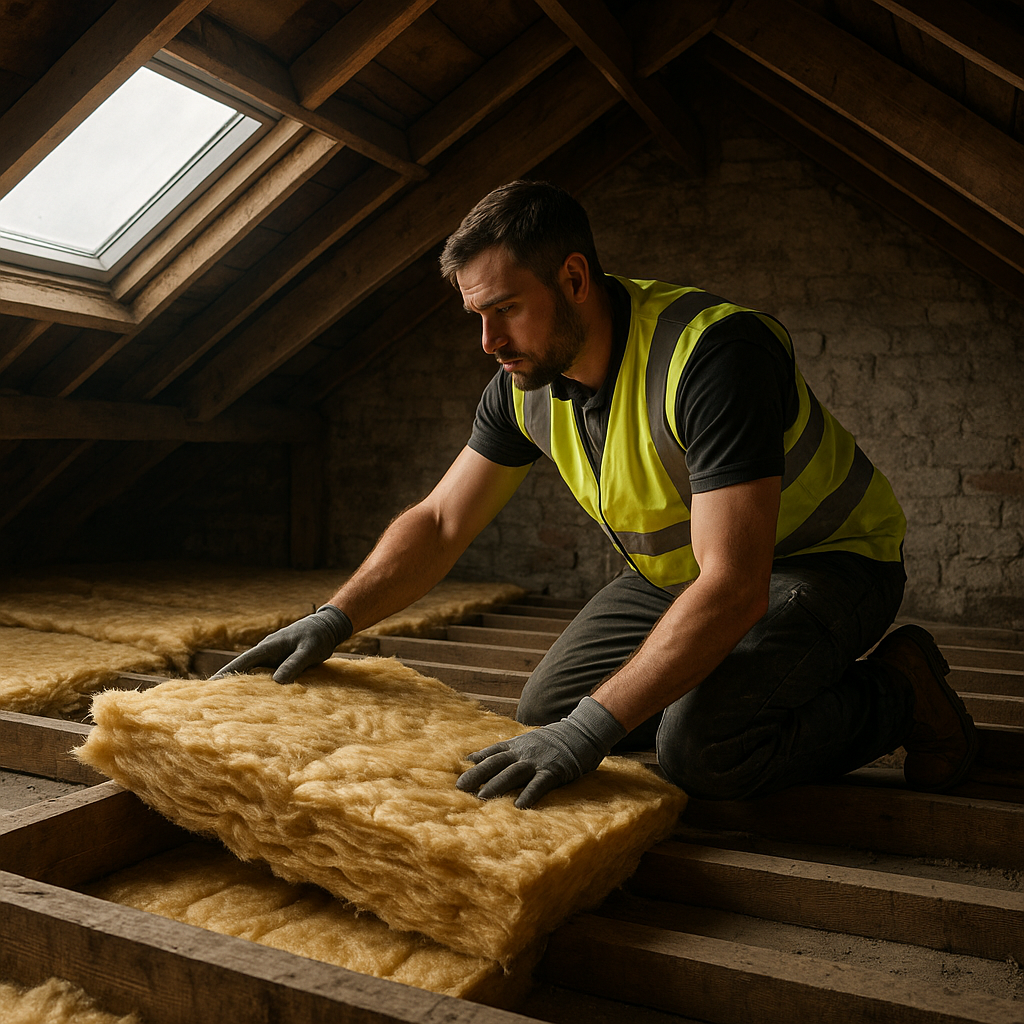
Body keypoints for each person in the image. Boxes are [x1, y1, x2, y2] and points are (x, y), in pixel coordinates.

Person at [213, 180, 977, 809]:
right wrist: (333, 617)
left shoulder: (713, 354)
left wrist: (595, 733)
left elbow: (737, 585)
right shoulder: (521, 386)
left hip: (825, 565)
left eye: (505, 309)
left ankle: (899, 693)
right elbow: (443, 521)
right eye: (475, 316)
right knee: (549, 712)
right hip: (682, 580)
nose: (488, 342)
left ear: (574, 278)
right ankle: (733, 680)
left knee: (698, 750)